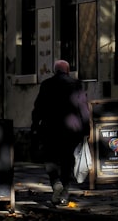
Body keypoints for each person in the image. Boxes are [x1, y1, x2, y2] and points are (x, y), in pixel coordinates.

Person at [31, 60, 90, 206]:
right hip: (71, 130)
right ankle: (64, 193)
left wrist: (35, 124)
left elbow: (38, 107)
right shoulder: (76, 84)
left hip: (50, 129)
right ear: (68, 70)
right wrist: (86, 129)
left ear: (54, 71)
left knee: (50, 158)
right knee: (67, 161)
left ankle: (55, 182)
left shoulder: (46, 85)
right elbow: (84, 109)